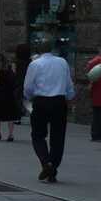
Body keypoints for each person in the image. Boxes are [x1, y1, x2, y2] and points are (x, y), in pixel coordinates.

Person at [23, 35, 75, 184]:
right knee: (58, 136)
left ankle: (46, 163)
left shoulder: (35, 64)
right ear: (53, 49)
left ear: (40, 50)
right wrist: (70, 97)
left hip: (41, 101)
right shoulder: (62, 62)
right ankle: (53, 165)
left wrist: (29, 97)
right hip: (59, 101)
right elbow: (68, 83)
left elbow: (28, 87)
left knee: (38, 135)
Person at [0, 53, 20, 141]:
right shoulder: (10, 67)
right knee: (10, 114)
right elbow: (14, 78)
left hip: (0, 92)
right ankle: (11, 134)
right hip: (9, 92)